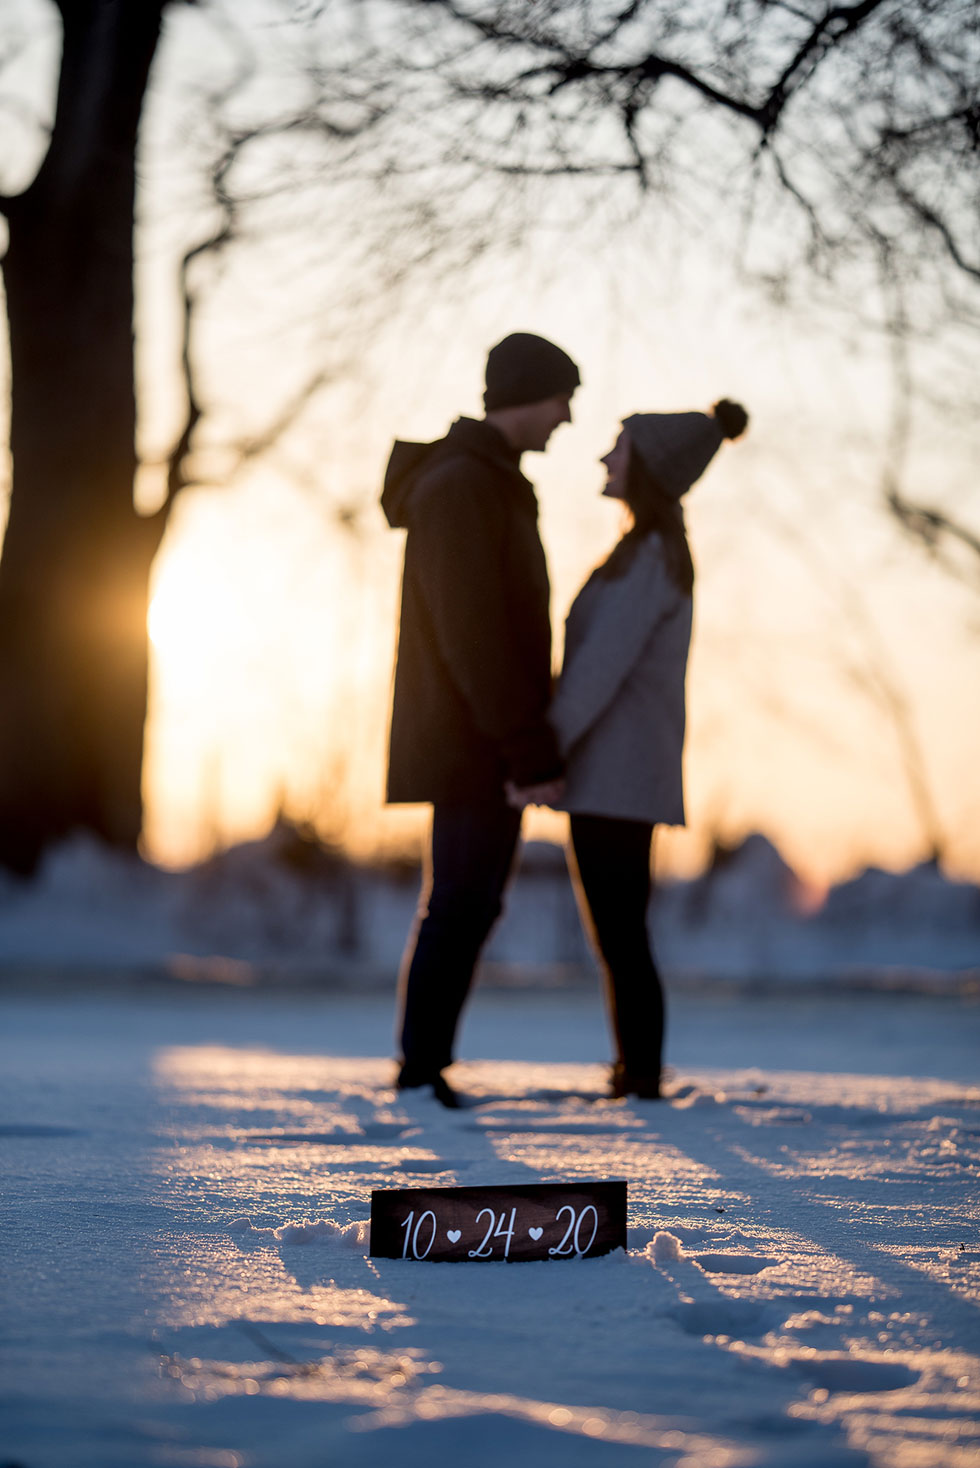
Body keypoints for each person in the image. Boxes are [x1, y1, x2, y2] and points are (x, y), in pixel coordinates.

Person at [381, 332, 580, 1107]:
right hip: (470, 739)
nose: (568, 417)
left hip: (483, 738)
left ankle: (426, 1067)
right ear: (529, 394)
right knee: (461, 898)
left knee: (470, 899)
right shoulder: (463, 486)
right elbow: (474, 634)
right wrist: (524, 745)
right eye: (563, 397)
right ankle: (420, 1072)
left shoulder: (487, 481)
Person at [546, 399, 749, 1100]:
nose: (606, 459)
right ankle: (635, 1071)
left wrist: (543, 753)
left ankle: (639, 1077)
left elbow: (599, 669)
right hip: (612, 775)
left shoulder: (652, 560)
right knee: (619, 933)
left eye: (619, 447)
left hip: (617, 777)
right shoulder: (642, 554)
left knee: (621, 935)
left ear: (649, 467)